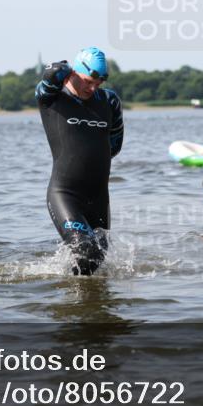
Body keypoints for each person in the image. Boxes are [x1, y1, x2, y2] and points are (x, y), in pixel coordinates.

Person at [36, 47, 124, 275]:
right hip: (65, 193)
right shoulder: (52, 98)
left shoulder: (109, 101)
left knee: (97, 262)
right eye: (88, 81)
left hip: (98, 197)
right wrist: (63, 69)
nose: (93, 88)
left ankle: (80, 303)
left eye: (99, 82)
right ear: (73, 73)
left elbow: (113, 146)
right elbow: (49, 76)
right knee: (86, 250)